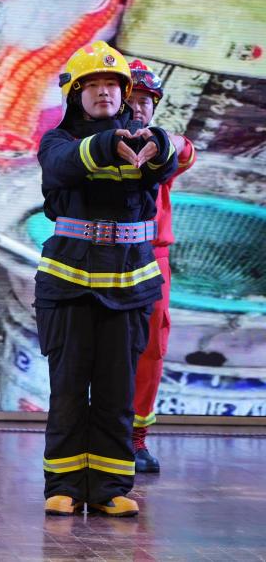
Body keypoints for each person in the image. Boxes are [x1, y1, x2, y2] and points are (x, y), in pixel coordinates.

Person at [35, 40, 177, 518]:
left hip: (130, 283)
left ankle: (111, 488)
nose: (103, 93)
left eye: (112, 85)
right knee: (69, 390)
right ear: (75, 95)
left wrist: (161, 145)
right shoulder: (56, 142)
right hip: (68, 285)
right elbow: (64, 165)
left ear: (124, 93)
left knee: (118, 393)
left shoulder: (146, 137)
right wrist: (106, 145)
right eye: (92, 85)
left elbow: (167, 159)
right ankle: (64, 486)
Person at [126, 59, 196, 473]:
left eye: (145, 101)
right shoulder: (89, 145)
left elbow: (186, 152)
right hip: (103, 255)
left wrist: (165, 141)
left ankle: (135, 439)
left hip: (153, 257)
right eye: (130, 99)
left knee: (151, 345)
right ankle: (91, 433)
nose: (137, 108)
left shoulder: (161, 146)